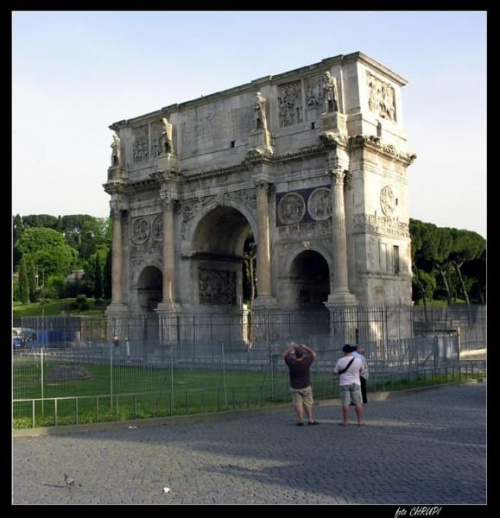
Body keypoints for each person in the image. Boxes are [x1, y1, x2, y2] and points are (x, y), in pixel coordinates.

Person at [282, 342, 319, 426]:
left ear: (295, 355)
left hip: (294, 386)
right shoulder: (306, 361)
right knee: (308, 403)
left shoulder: (291, 362)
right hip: (306, 385)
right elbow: (313, 353)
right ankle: (310, 419)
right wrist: (305, 347)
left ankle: (301, 420)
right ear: (303, 354)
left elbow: (284, 354)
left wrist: (292, 347)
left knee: (298, 404)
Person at [333, 344, 366, 426]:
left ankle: (345, 421)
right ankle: (360, 421)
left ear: (344, 351)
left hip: (344, 383)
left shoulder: (340, 360)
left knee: (345, 403)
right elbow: (361, 370)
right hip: (356, 382)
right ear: (352, 351)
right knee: (358, 403)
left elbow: (335, 372)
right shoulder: (358, 360)